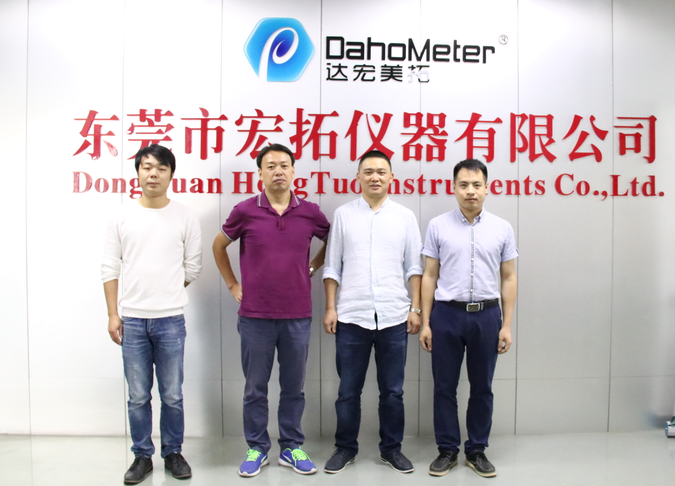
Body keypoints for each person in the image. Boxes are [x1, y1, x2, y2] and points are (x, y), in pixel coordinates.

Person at [212, 143, 330, 477]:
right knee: (255, 388)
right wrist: (232, 284)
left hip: (297, 315)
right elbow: (219, 245)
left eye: (284, 165)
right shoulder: (245, 210)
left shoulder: (310, 212)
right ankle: (257, 448)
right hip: (255, 316)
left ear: (293, 171)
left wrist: (312, 266)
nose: (278, 171)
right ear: (260, 173)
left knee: (294, 387)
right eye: (270, 166)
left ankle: (291, 447)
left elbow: (333, 240)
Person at [102, 144, 202, 485]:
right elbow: (109, 266)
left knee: (172, 394)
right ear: (138, 172)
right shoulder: (121, 216)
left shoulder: (185, 216)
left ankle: (173, 452)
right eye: (147, 167)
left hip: (171, 320)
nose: (153, 174)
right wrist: (113, 314)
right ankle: (142, 456)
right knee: (138, 396)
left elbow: (193, 266)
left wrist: (167, 291)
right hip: (131, 320)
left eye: (161, 168)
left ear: (171, 174)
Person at [322, 150, 423, 474]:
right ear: (358, 177)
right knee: (348, 391)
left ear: (391, 177)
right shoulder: (343, 215)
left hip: (394, 316)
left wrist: (416, 308)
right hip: (351, 316)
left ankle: (391, 449)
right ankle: (345, 448)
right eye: (368, 172)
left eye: (381, 171)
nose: (375, 177)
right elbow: (332, 266)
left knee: (392, 392)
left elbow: (414, 267)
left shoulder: (405, 217)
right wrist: (330, 307)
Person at [419, 159, 518, 478]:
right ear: (454, 188)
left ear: (487, 188)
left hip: (487, 316)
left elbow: (509, 277)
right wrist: (426, 322)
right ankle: (447, 450)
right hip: (446, 315)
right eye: (463, 185)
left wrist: (506, 324)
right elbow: (429, 275)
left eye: (476, 185)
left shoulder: (502, 228)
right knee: (444, 387)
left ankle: (476, 450)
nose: (470, 191)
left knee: (482, 387)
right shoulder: (438, 226)